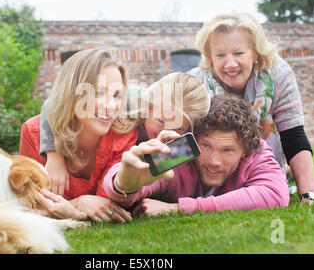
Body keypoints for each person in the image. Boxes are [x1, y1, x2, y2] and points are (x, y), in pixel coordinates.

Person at [187, 12, 314, 205]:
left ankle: (276, 171)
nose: (230, 64)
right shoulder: (194, 84)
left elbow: (293, 136)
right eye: (220, 55)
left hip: (261, 165)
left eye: (239, 53)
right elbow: (179, 138)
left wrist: (307, 195)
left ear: (255, 52)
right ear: (210, 56)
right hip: (211, 169)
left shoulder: (278, 74)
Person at [102, 94, 290, 216]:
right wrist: (123, 184)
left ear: (244, 151)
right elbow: (131, 183)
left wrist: (177, 208)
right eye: (206, 146)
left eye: (227, 150)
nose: (214, 162)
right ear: (193, 139)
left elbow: (274, 194)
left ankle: (286, 171)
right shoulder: (182, 150)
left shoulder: (255, 150)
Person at [38, 72, 211, 196]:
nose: (164, 130)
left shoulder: (182, 143)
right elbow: (52, 104)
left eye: (179, 128)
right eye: (160, 120)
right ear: (149, 105)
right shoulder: (131, 99)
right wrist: (54, 156)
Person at [20, 48, 135, 223]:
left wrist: (72, 209)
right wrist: (78, 204)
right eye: (99, 93)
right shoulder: (33, 133)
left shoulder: (124, 135)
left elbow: (107, 205)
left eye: (117, 95)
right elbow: (29, 205)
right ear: (73, 93)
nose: (111, 106)